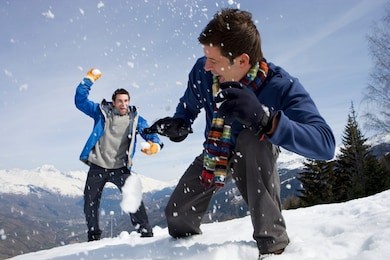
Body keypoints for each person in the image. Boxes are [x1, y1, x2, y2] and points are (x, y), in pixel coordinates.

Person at [144, 8, 335, 259]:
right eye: (205, 58)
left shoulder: (280, 85)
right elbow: (189, 106)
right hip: (216, 152)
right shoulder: (203, 72)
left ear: (242, 61)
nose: (207, 66)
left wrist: (265, 120)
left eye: (215, 61)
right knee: (177, 216)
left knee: (251, 140)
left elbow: (325, 143)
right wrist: (179, 122)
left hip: (255, 151)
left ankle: (272, 243)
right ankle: (186, 252)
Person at [75, 68, 163, 241]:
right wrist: (89, 80)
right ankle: (93, 236)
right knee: (90, 203)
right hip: (98, 165)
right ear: (113, 102)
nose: (123, 104)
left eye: (126, 101)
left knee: (134, 199)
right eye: (120, 101)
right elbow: (80, 101)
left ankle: (145, 233)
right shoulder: (101, 112)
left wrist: (155, 145)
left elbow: (150, 132)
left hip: (120, 168)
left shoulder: (135, 118)